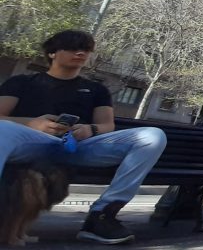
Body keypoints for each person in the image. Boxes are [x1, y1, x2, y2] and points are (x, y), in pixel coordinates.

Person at [0, 30, 166, 245]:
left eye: (85, 49)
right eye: (72, 48)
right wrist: (33, 123)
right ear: (52, 53)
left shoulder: (96, 89)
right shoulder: (22, 82)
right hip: (32, 142)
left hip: (78, 147)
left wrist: (91, 130)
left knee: (153, 136)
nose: (80, 53)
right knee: (3, 129)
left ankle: (102, 215)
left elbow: (107, 125)